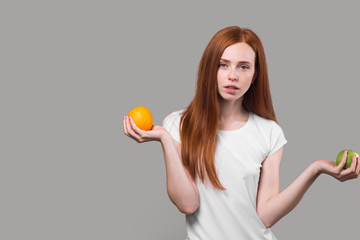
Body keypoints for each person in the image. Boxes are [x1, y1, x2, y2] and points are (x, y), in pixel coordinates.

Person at [123, 26, 360, 240]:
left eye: (243, 67)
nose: (233, 75)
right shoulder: (178, 125)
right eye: (223, 65)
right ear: (210, 69)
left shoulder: (269, 132)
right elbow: (187, 204)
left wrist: (315, 168)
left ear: (255, 74)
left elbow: (266, 216)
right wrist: (165, 138)